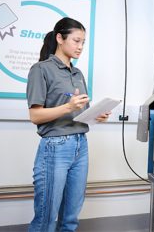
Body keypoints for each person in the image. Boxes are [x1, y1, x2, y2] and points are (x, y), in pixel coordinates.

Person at [26, 17, 110, 232]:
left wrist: (97, 115)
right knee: (46, 218)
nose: (80, 47)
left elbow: (82, 112)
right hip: (55, 146)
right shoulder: (41, 69)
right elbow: (35, 116)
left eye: (83, 42)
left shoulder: (77, 73)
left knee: (71, 218)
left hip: (80, 145)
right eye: (76, 41)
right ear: (59, 38)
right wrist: (68, 107)